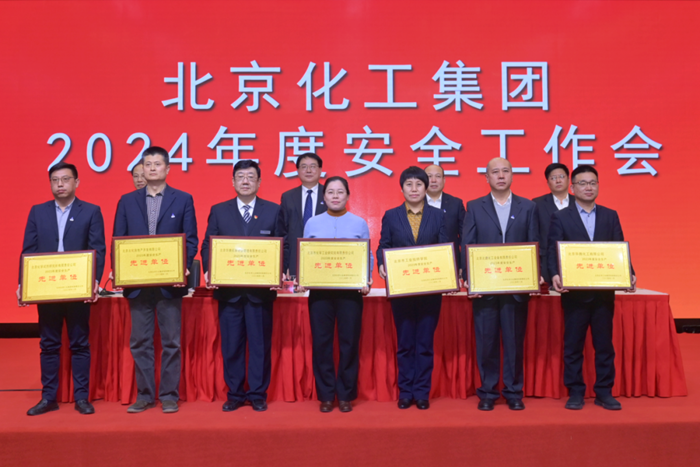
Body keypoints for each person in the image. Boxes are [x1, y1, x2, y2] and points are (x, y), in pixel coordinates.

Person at [113, 146, 198, 414]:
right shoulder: (127, 201)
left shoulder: (183, 199)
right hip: (138, 284)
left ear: (167, 168)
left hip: (169, 283)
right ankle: (145, 395)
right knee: (140, 342)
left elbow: (191, 240)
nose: (152, 168)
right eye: (147, 164)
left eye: (157, 164)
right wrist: (119, 268)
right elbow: (119, 240)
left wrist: (182, 267)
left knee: (171, 342)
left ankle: (169, 395)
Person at [19, 162, 106, 416]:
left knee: (79, 343)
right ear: (50, 184)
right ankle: (48, 398)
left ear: (76, 182)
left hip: (78, 288)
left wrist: (94, 281)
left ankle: (81, 398)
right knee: (48, 344)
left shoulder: (91, 211)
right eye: (55, 180)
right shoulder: (38, 212)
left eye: (65, 179)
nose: (60, 184)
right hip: (48, 289)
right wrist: (23, 284)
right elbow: (28, 250)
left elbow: (97, 249)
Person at [548, 165, 636, 411]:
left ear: (598, 186)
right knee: (573, 346)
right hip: (574, 294)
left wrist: (629, 273)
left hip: (603, 293)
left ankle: (604, 392)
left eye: (592, 183)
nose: (588, 187)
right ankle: (575, 391)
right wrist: (554, 274)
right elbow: (552, 249)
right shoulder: (561, 216)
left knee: (604, 346)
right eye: (583, 183)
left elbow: (619, 249)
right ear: (572, 187)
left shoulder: (610, 215)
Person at [200, 160, 283, 413]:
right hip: (229, 293)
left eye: (250, 177)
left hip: (260, 293)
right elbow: (208, 244)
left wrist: (280, 271)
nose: (245, 181)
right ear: (233, 181)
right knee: (232, 346)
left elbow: (283, 244)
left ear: (259, 182)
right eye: (240, 177)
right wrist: (209, 269)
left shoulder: (273, 210)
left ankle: (257, 394)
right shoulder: (219, 210)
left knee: (259, 346)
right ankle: (235, 394)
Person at [462, 157, 540, 411]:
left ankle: (513, 391)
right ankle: (488, 392)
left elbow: (534, 243)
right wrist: (470, 279)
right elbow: (468, 243)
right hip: (485, 286)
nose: (501, 175)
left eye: (505, 171)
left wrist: (535, 273)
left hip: (516, 286)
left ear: (512, 175)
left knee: (514, 342)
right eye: (495, 172)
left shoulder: (528, 206)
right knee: (486, 342)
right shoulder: (475, 206)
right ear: (487, 178)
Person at [297, 176, 373, 413]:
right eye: (330, 192)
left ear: (348, 196)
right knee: (322, 344)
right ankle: (327, 395)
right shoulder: (312, 223)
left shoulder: (359, 223)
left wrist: (366, 279)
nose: (336, 196)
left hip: (350, 294)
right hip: (320, 294)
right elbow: (305, 254)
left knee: (349, 343)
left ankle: (346, 395)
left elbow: (367, 255)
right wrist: (302, 278)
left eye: (340, 192)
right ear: (324, 196)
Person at [377, 166, 448, 410]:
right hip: (402, 289)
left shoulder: (438, 216)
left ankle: (422, 392)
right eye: (409, 184)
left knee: (425, 343)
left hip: (430, 290)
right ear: (402, 189)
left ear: (426, 188)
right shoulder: (391, 215)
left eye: (419, 184)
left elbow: (445, 247)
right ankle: (405, 391)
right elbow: (384, 245)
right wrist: (382, 263)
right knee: (406, 343)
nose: (414, 189)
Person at [277, 153, 326, 279]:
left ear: (320, 170)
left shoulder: (329, 194)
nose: (308, 170)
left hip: (324, 256)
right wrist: (285, 265)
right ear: (298, 171)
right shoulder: (288, 197)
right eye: (304, 167)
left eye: (313, 166)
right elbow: (283, 232)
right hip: (295, 258)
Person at [532, 163, 573, 284]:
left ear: (568, 180)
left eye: (562, 176)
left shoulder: (579, 202)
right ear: (548, 183)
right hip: (546, 264)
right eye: (553, 178)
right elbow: (534, 234)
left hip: (574, 260)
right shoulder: (537, 204)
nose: (558, 180)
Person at [425, 165, 466, 270]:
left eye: (438, 176)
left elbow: (465, 237)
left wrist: (463, 265)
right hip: (423, 263)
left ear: (444, 180)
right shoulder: (415, 204)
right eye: (429, 176)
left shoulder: (456, 204)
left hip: (451, 263)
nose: (433, 180)